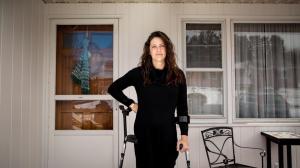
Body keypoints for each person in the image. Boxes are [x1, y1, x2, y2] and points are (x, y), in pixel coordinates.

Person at [108, 31, 190, 168]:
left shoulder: (178, 75)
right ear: (149, 50)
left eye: (162, 46)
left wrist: (184, 137)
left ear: (168, 49)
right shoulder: (139, 73)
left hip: (167, 133)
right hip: (144, 132)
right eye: (154, 46)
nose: (158, 50)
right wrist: (132, 104)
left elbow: (182, 108)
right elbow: (113, 88)